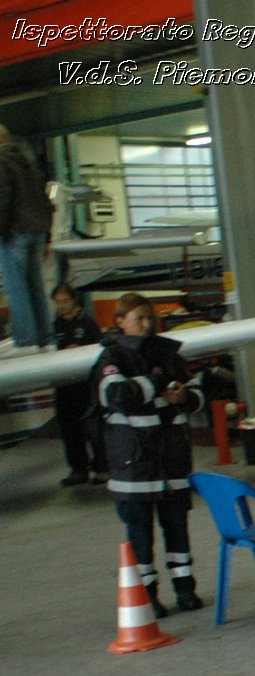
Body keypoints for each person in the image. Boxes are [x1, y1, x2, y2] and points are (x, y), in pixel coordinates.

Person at [91, 294, 203, 617]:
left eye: (149, 318)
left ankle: (186, 590)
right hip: (135, 467)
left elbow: (197, 393)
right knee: (140, 537)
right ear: (120, 320)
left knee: (178, 530)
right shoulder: (112, 357)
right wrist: (155, 383)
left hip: (171, 462)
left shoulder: (169, 352)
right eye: (138, 318)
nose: (146, 324)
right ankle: (148, 597)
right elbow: (117, 396)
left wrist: (185, 396)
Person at [0, 124, 53, 353]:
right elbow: (45, 200)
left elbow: (2, 198)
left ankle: (26, 341)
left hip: (14, 231)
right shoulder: (27, 161)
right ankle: (45, 339)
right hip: (37, 229)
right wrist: (48, 235)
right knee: (35, 286)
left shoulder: (1, 161)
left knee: (16, 288)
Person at [52, 283, 107, 486]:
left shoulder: (88, 324)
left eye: (65, 301)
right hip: (65, 385)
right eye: (58, 302)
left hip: (86, 385)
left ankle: (102, 468)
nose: (62, 306)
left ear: (73, 300)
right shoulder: (54, 326)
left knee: (94, 427)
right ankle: (78, 469)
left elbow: (100, 349)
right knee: (69, 429)